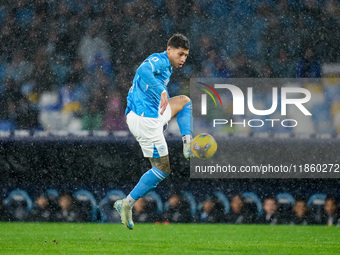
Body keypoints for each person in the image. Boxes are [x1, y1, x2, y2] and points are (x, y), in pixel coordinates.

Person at [114, 34, 191, 230]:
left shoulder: (167, 66)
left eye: (186, 56)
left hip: (154, 113)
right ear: (169, 50)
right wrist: (162, 90)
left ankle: (188, 142)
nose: (183, 59)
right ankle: (127, 203)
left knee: (184, 101)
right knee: (162, 169)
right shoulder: (159, 60)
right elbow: (142, 69)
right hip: (145, 121)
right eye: (180, 54)